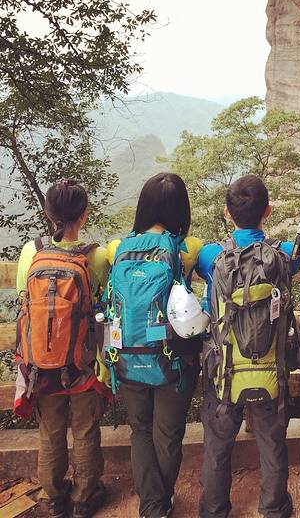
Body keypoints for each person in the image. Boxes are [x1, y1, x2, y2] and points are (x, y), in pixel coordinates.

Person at [197, 174, 300, 518]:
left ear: (228, 213)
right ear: (267, 211)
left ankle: (214, 509)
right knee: (272, 443)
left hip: (224, 370)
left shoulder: (211, 256)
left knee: (217, 444)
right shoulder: (284, 254)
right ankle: (273, 506)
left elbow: (190, 256)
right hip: (271, 368)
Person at [105, 173, 203, 518]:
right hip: (170, 358)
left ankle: (152, 506)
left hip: (127, 354)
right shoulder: (188, 248)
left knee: (141, 431)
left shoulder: (117, 248)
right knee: (168, 433)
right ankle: (159, 503)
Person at [14, 179, 110, 518]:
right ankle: (84, 498)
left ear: (48, 212)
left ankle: (55, 499)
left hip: (40, 363)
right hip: (82, 362)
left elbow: (23, 298)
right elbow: (102, 299)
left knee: (50, 430)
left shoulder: (31, 252)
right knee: (85, 429)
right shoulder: (96, 255)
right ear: (84, 216)